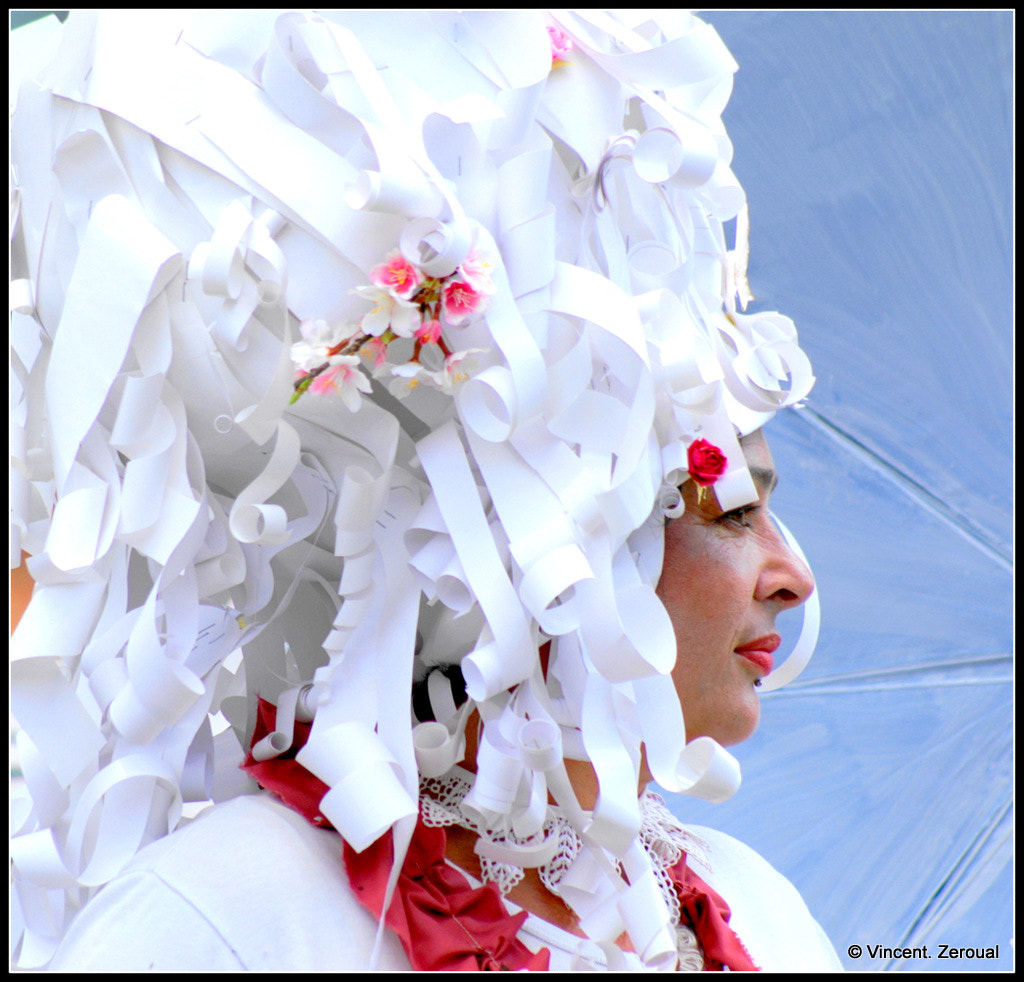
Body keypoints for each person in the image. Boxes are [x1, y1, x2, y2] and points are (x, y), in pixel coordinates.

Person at [12, 10, 840, 971]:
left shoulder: (761, 915)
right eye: (732, 511)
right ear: (544, 547)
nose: (793, 577)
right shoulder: (231, 916)